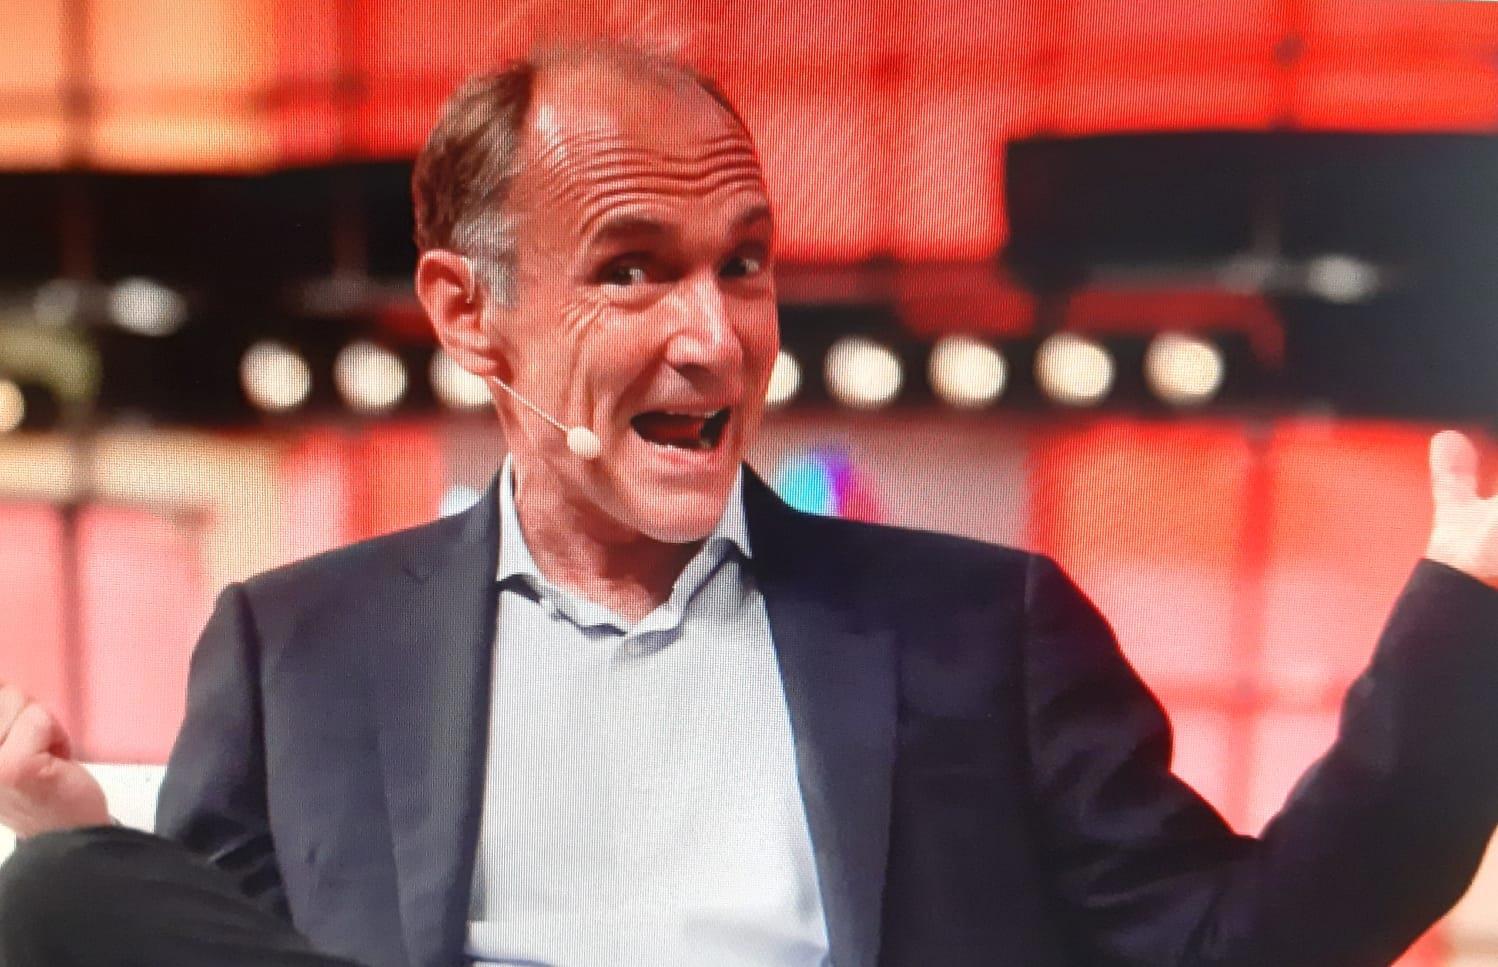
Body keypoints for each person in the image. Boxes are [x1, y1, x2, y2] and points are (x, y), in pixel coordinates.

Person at [3, 38, 1498, 967]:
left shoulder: (982, 631)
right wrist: (104, 870)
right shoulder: (293, 649)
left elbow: (1249, 946)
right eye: (633, 269)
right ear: (469, 315)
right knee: (55, 904)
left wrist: (1470, 629)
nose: (715, 337)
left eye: (743, 262)